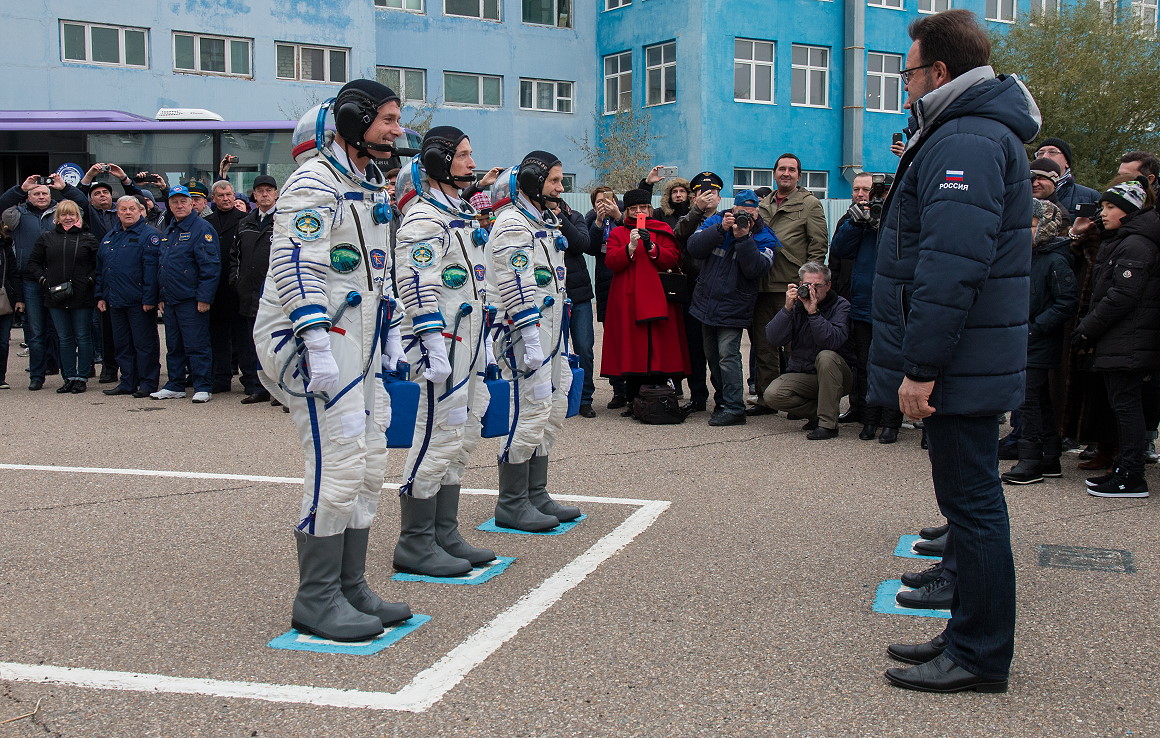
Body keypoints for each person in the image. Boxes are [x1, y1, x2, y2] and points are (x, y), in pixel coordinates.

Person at [870, 8, 1040, 693]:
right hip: (971, 358)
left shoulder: (965, 138)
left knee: (972, 508)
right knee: (969, 505)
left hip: (960, 363)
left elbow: (950, 265)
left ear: (938, 72)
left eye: (907, 72)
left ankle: (978, 654)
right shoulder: (963, 130)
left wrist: (922, 367)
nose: (904, 84)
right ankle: (965, 632)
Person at [253, 80, 413, 642]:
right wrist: (316, 344)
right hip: (314, 340)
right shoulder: (313, 183)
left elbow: (376, 271)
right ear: (353, 120)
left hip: (357, 339)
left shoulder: (366, 184)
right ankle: (315, 599)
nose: (397, 129)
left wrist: (391, 332)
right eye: (388, 119)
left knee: (369, 458)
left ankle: (351, 585)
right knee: (339, 458)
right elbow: (296, 266)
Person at [391, 126, 499, 576]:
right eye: (463, 156)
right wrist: (432, 342)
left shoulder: (457, 213)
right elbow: (417, 284)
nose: (472, 164)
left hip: (468, 341)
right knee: (436, 432)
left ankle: (444, 531)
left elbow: (476, 281)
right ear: (439, 160)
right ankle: (415, 541)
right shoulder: (424, 219)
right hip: (443, 346)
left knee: (463, 431)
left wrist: (487, 342)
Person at [486, 151, 582, 531]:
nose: (560, 188)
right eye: (555, 181)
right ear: (531, 181)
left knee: (553, 406)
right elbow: (516, 285)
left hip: (552, 330)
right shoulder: (512, 224)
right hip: (525, 333)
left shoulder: (544, 220)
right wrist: (528, 337)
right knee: (528, 408)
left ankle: (535, 493)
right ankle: (511, 502)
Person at [1071, 177, 1160, 498]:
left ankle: (1132, 475)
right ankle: (1125, 470)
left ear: (1129, 209)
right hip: (1123, 338)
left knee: (1127, 408)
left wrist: (1087, 328)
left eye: (1110, 207)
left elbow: (1122, 295)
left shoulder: (1136, 243)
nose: (1103, 212)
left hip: (1128, 339)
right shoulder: (1123, 238)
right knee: (1122, 407)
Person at [1001, 199, 1078, 484]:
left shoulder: (1055, 259)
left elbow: (1067, 301)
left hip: (1037, 341)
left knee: (1028, 401)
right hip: (1024, 340)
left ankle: (1031, 460)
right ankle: (1048, 457)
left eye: (1031, 226)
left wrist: (1035, 328)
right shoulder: (1028, 257)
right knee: (1037, 401)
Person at [685, 189, 777, 426]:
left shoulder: (765, 236)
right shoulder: (717, 221)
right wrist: (721, 229)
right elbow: (693, 247)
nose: (745, 217)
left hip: (735, 305)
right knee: (713, 356)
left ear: (757, 212)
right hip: (706, 301)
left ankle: (735, 407)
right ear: (732, 210)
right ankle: (722, 401)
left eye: (750, 213)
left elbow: (756, 269)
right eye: (740, 212)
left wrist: (744, 238)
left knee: (728, 356)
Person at [828, 172, 904, 442]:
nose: (865, 196)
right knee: (865, 363)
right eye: (860, 190)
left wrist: (887, 219)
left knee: (892, 363)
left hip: (894, 304)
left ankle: (891, 421)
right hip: (863, 303)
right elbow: (839, 250)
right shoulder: (855, 218)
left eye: (871, 191)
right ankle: (868, 418)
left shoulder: (899, 214)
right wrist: (856, 222)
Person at [751, 154, 829, 415]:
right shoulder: (763, 203)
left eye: (791, 170)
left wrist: (810, 285)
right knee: (764, 346)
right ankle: (767, 398)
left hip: (792, 285)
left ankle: (797, 399)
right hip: (762, 284)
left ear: (799, 175)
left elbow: (818, 246)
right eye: (781, 169)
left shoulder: (809, 204)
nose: (786, 173)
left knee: (796, 347)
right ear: (774, 173)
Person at [600, 188, 690, 411]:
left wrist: (652, 246)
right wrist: (629, 247)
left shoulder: (662, 229)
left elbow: (672, 259)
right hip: (627, 299)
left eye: (642, 208)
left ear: (649, 209)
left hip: (659, 298)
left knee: (659, 346)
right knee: (632, 347)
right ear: (627, 211)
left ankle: (660, 394)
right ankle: (632, 398)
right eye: (633, 209)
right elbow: (611, 261)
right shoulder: (618, 233)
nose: (638, 212)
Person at [0, 174, 88, 390]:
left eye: (45, 193)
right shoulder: (17, 215)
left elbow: (83, 204)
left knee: (63, 332)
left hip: (61, 281)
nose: (41, 196)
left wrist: (65, 187)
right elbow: (2, 205)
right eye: (36, 193)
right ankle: (37, 376)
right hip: (31, 281)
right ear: (28, 197)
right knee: (36, 332)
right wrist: (21, 188)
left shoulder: (61, 213)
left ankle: (69, 375)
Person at [763, 262, 855, 439]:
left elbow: (831, 341)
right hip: (805, 373)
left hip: (838, 375)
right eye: (807, 285)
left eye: (817, 286)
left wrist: (813, 313)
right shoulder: (797, 305)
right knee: (773, 395)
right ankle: (820, 412)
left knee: (826, 356)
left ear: (828, 285)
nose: (812, 290)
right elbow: (773, 338)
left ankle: (828, 425)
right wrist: (787, 309)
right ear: (799, 285)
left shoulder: (841, 305)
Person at [149, 185, 219, 403]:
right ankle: (175, 384)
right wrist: (161, 295)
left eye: (183, 202)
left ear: (192, 204)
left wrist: (204, 298)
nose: (179, 206)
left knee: (196, 345)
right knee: (174, 345)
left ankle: (202, 386)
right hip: (171, 299)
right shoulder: (170, 229)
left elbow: (210, 267)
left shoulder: (202, 228)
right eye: (174, 202)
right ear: (169, 205)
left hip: (192, 299)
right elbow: (163, 265)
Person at [26, 200, 99, 394]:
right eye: (64, 214)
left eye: (72, 214)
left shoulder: (88, 238)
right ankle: (68, 377)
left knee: (83, 337)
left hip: (82, 296)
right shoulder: (46, 237)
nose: (68, 217)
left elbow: (98, 265)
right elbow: (33, 263)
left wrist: (89, 281)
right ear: (57, 217)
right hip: (56, 296)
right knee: (64, 338)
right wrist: (44, 280)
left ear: (78, 217)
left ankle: (81, 377)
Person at [95, 196, 161, 398]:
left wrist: (150, 299)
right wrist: (100, 295)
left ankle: (148, 383)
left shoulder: (150, 235)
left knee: (144, 345)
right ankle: (127, 382)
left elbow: (153, 271)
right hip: (115, 300)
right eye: (123, 209)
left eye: (132, 208)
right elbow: (101, 270)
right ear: (118, 212)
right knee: (122, 345)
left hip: (139, 302)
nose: (128, 212)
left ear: (140, 210)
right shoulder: (110, 236)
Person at [672, 172, 725, 414]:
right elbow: (678, 234)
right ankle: (698, 396)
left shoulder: (728, 219)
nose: (707, 197)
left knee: (718, 350)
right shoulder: (689, 219)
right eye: (702, 194)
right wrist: (696, 211)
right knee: (695, 347)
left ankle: (723, 396)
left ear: (720, 197)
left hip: (720, 291)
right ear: (694, 197)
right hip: (693, 290)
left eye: (711, 193)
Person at [229, 174, 278, 405]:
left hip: (277, 294)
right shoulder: (245, 222)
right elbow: (234, 257)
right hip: (249, 292)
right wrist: (236, 280)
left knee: (278, 342)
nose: (265, 194)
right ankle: (259, 387)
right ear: (254, 195)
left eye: (269, 190)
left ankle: (281, 390)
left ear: (276, 194)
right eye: (260, 191)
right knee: (254, 342)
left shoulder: (285, 220)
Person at [204, 180, 247, 394]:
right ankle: (221, 378)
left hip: (238, 287)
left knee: (244, 337)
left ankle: (250, 380)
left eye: (229, 194)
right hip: (215, 288)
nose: (226, 198)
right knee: (218, 336)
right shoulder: (206, 222)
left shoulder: (245, 220)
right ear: (214, 199)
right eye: (220, 195)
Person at [1033, 137, 1099, 212]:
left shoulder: (1089, 197)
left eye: (1052, 152)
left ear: (1067, 162)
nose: (1044, 157)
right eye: (1040, 153)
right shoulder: (1023, 192)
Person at [0, 219, 23, 389]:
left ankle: (1, 377)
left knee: (2, 341)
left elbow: (14, 274)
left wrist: (20, 298)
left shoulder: (4, 246)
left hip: (4, 297)